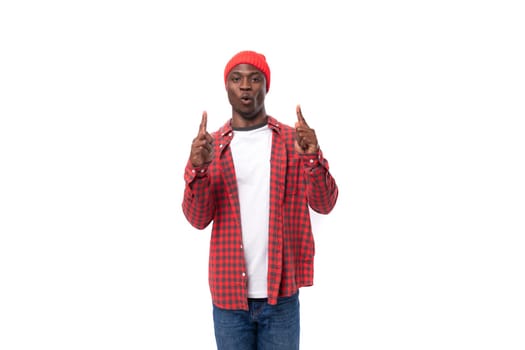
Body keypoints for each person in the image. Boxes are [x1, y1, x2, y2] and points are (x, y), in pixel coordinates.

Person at [181, 50, 339, 350]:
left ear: (266, 86)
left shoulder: (293, 142)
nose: (245, 86)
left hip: (281, 296)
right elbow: (198, 219)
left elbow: (325, 204)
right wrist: (198, 168)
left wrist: (312, 159)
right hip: (229, 298)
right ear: (226, 86)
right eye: (236, 78)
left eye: (255, 78)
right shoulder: (211, 147)